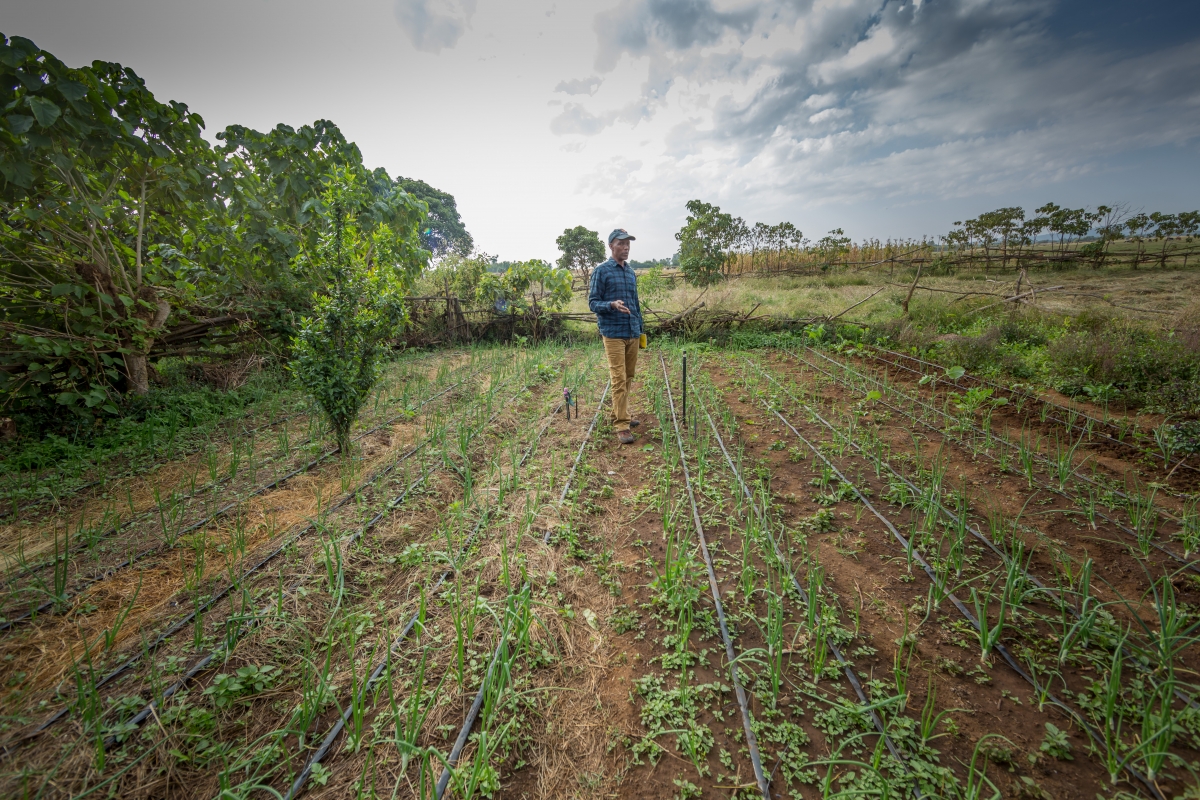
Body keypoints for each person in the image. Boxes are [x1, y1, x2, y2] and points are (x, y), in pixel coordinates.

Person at [588, 228, 643, 444]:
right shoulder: (601, 271)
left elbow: (636, 304)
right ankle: (622, 424)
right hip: (613, 334)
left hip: (632, 332)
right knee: (618, 378)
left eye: (628, 243)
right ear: (611, 246)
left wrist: (641, 329)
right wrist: (611, 305)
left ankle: (620, 413)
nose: (626, 247)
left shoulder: (630, 272)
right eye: (621, 243)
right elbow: (592, 303)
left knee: (628, 376)